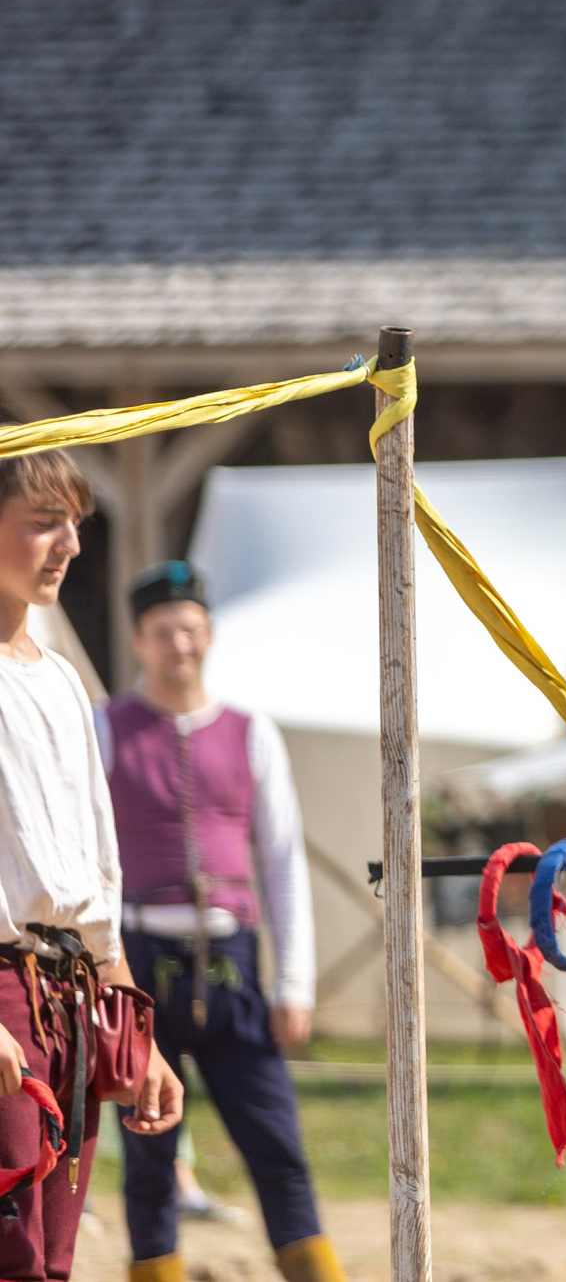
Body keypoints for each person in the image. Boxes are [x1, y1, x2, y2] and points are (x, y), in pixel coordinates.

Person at [97, 562, 340, 1282]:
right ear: (139, 639)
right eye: (165, 631)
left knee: (277, 1142)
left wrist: (294, 981)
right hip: (137, 956)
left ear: (209, 635)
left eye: (193, 629)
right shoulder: (104, 727)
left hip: (233, 957)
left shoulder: (251, 730)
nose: (181, 644)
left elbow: (283, 858)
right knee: (148, 1153)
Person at [0, 447, 186, 1282]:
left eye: (75, 521)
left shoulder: (67, 682)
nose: (69, 542)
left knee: (53, 1258)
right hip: (3, 989)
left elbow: (96, 873)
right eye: (43, 520)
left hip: (73, 994)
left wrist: (136, 1034)